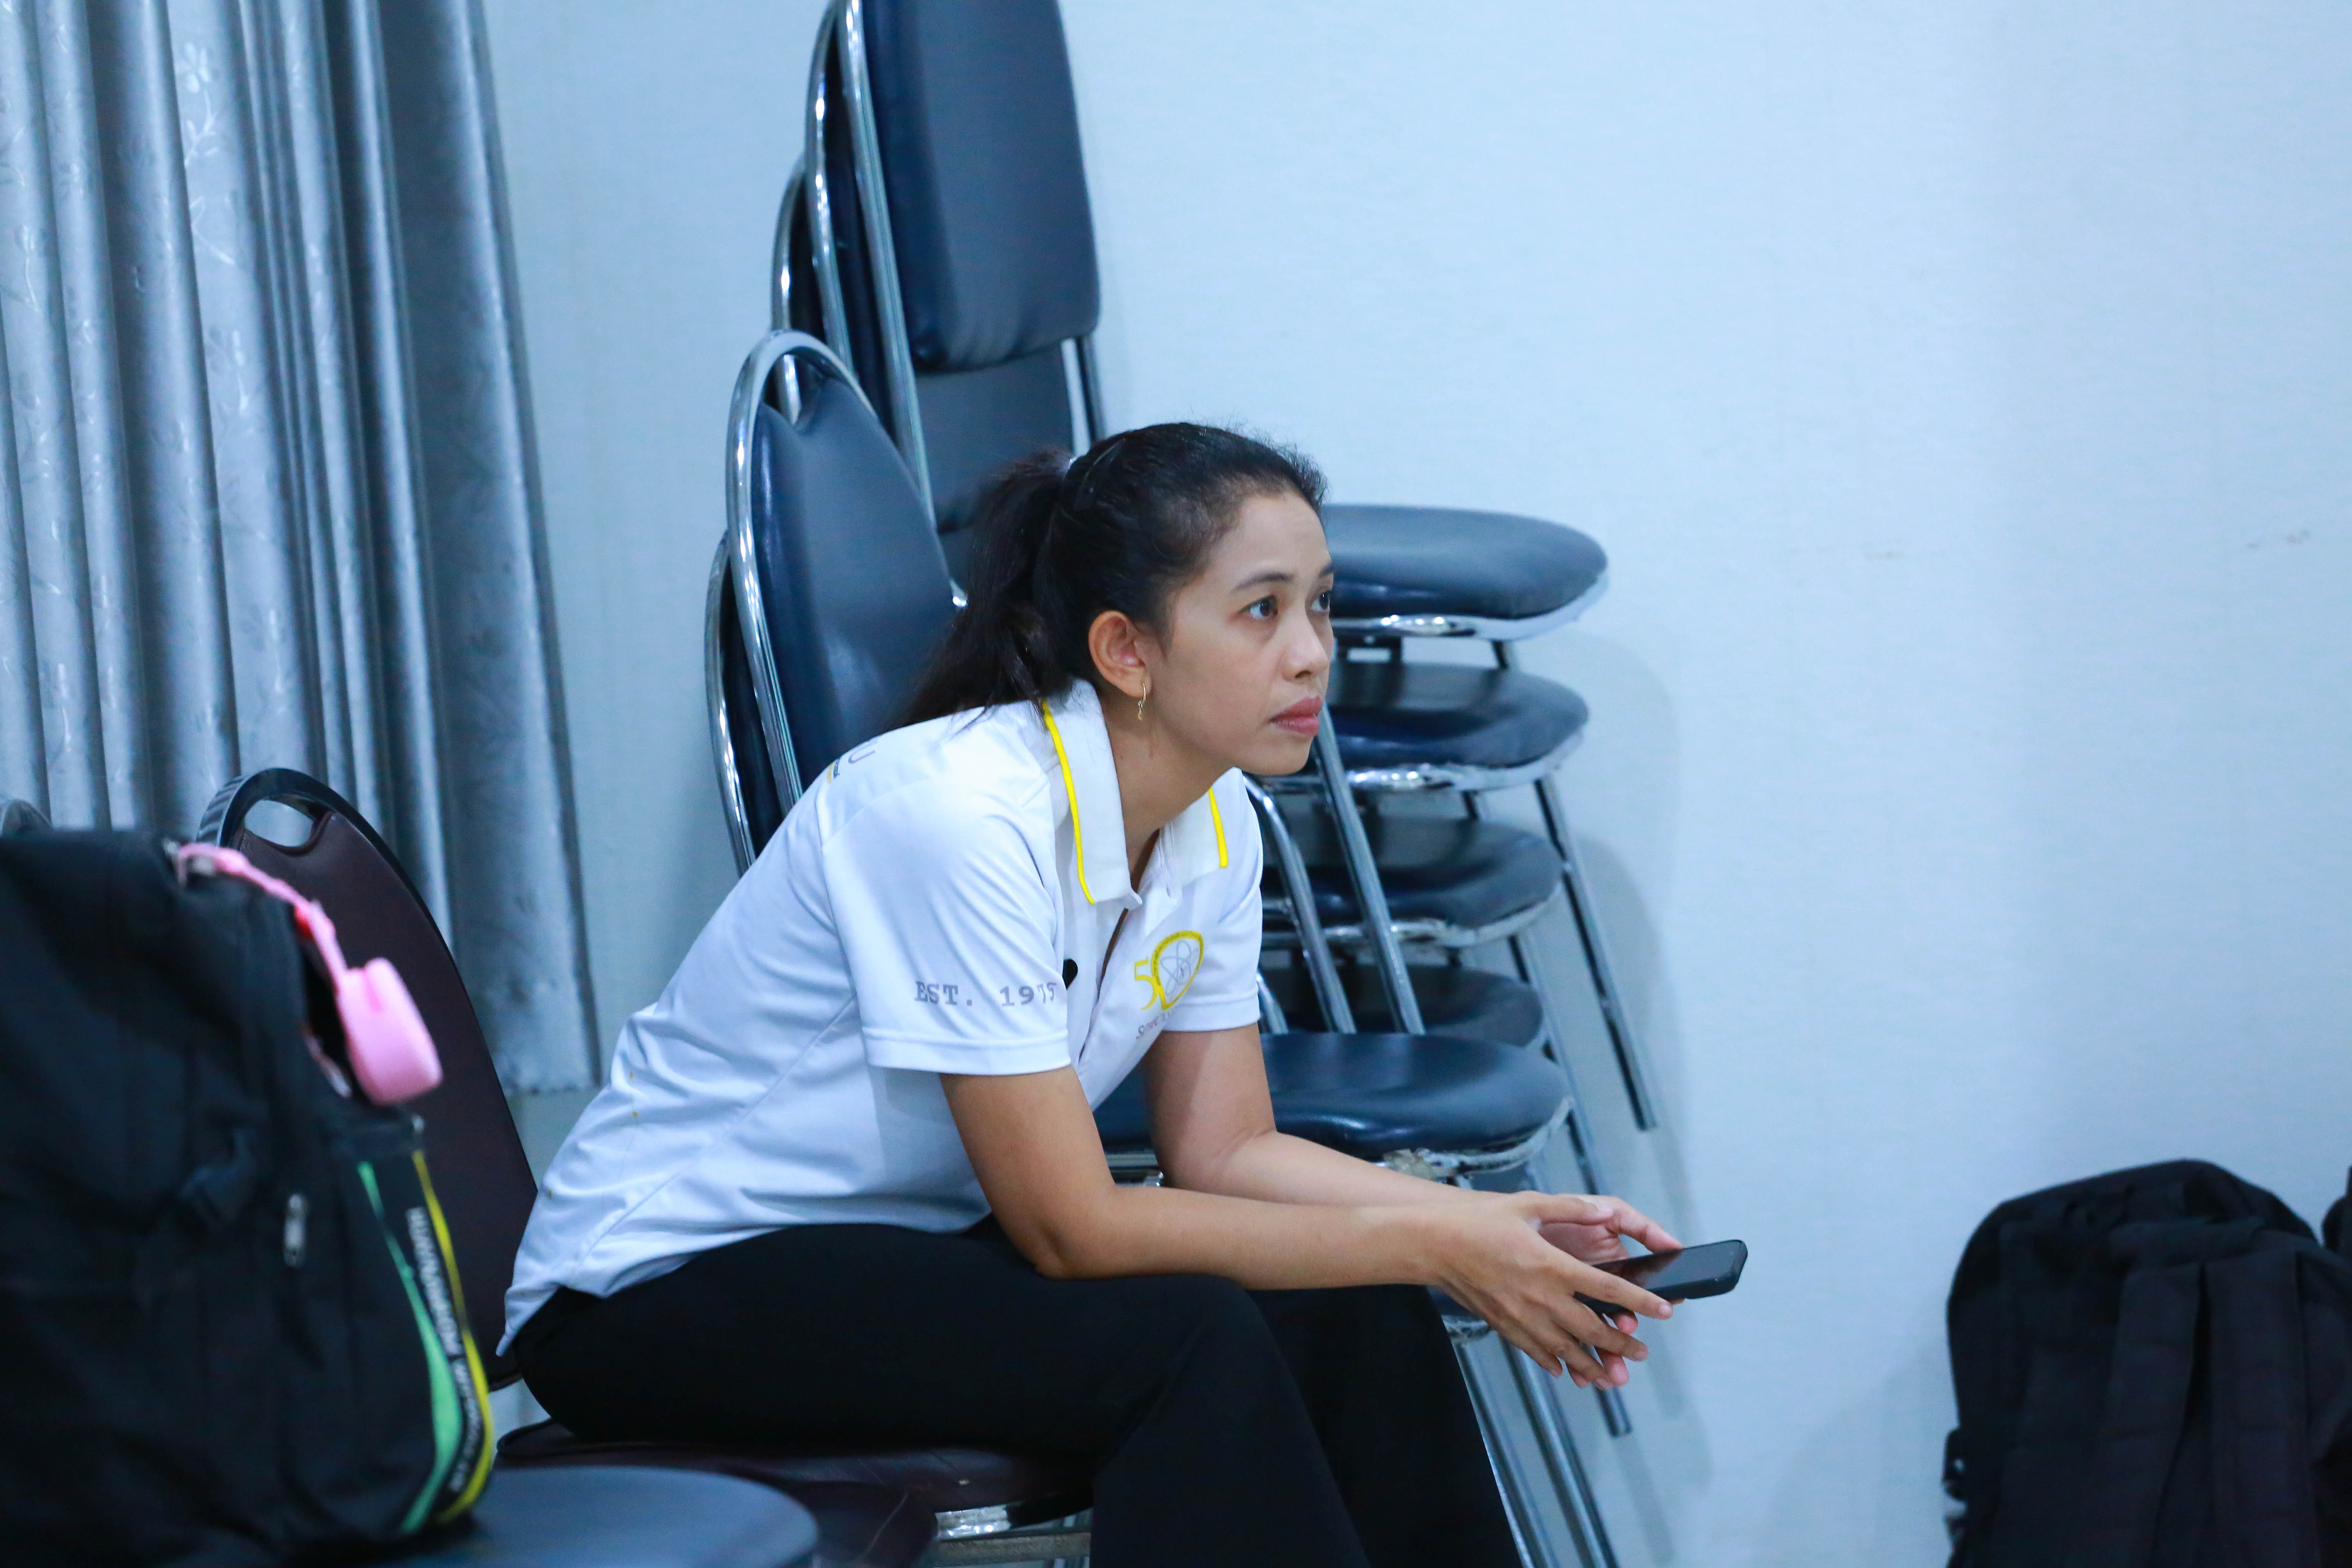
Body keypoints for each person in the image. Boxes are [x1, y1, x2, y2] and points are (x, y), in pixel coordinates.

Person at [503, 423, 1681, 1568]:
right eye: (1261, 610)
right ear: (1127, 651)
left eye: (1319, 605)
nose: (1312, 652)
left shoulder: (1217, 819)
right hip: (653, 1291)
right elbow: (1071, 1231)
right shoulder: (957, 815)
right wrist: (1432, 1241)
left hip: (892, 1251)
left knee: (1350, 1297)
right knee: (1188, 1334)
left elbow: (1227, 1152)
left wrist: (1486, 1225)